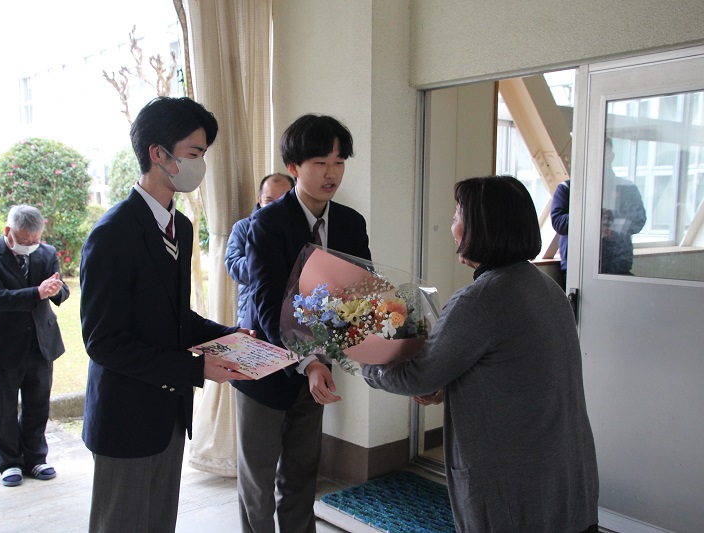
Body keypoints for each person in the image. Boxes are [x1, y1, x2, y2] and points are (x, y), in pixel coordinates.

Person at [362, 175, 599, 533]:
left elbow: (418, 376)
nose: (452, 227)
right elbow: (514, 374)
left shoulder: (479, 301)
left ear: (481, 227)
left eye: (457, 215)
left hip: (516, 485)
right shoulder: (546, 287)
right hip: (564, 473)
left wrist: (366, 360)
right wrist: (446, 384)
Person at [79, 96, 251, 533]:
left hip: (169, 414)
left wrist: (232, 336)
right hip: (126, 417)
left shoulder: (182, 227)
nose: (200, 165)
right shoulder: (112, 234)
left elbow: (175, 317)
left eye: (203, 154)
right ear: (158, 154)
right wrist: (195, 368)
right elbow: (104, 343)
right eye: (194, 153)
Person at [233, 114, 372, 533]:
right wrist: (309, 360)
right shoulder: (266, 224)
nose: (332, 173)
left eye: (339, 162)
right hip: (264, 367)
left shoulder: (350, 223)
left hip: (317, 371)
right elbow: (266, 305)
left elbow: (359, 297)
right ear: (294, 167)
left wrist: (391, 345)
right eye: (320, 163)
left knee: (301, 474)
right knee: (258, 482)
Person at [0, 204, 69, 487]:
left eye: (35, 240)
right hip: (2, 344)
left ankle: (36, 458)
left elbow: (61, 290)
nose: (30, 246)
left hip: (40, 342)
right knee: (3, 408)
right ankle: (9, 462)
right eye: (25, 241)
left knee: (38, 404)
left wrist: (56, 290)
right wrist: (37, 292)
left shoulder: (46, 253)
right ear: (8, 232)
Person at [225, 173, 295, 324]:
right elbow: (233, 265)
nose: (275, 207)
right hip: (251, 312)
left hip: (292, 312)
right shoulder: (242, 227)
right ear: (259, 200)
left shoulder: (298, 228)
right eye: (269, 201)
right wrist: (264, 262)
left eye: (282, 201)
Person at [600, 137, 646, 274]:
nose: (601, 158)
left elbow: (639, 219)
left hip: (618, 259)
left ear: (612, 157)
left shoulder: (627, 188)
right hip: (583, 262)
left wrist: (614, 229)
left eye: (605, 153)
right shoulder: (572, 188)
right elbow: (559, 221)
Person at [550, 178, 570, 290]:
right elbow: (558, 223)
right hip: (574, 265)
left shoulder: (623, 187)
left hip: (615, 263)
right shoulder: (566, 187)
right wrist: (587, 213)